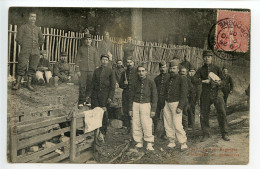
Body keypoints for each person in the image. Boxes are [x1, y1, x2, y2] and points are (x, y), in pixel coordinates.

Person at [195, 50, 230, 142]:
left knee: (222, 112)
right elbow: (193, 79)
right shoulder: (200, 70)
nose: (207, 58)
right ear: (203, 58)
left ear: (212, 58)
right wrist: (203, 81)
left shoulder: (217, 68)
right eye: (205, 57)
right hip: (205, 94)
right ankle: (206, 134)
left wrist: (219, 83)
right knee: (204, 114)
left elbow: (224, 81)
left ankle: (225, 133)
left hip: (217, 93)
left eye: (209, 57)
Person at [13, 11, 44, 91]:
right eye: (31, 16)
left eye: (34, 17)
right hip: (25, 50)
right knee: (22, 65)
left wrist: (37, 46)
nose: (33, 18)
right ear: (28, 17)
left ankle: (29, 84)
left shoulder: (38, 29)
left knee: (33, 67)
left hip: (35, 51)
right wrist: (25, 45)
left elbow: (42, 40)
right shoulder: (23, 27)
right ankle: (18, 83)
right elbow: (18, 39)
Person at [129, 65, 158, 151]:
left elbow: (154, 97)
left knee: (147, 124)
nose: (141, 73)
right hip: (136, 104)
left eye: (143, 71)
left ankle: (149, 142)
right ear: (137, 72)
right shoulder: (134, 82)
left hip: (146, 105)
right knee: (136, 123)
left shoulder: (151, 82)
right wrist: (130, 109)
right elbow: (130, 96)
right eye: (139, 71)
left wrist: (153, 109)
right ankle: (139, 141)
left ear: (146, 72)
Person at [163, 60, 188, 151]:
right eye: (171, 68)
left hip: (176, 104)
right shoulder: (168, 79)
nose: (172, 70)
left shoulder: (182, 78)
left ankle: (183, 143)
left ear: (178, 69)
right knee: (168, 123)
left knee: (177, 124)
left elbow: (184, 93)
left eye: (174, 68)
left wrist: (180, 106)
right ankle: (171, 141)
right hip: (167, 103)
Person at [91, 54, 116, 139]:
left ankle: (103, 132)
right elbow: (93, 84)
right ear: (100, 60)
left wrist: (110, 97)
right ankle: (95, 132)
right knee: (95, 113)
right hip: (95, 96)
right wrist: (90, 96)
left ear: (108, 61)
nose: (104, 61)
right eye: (103, 59)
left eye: (106, 60)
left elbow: (113, 86)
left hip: (105, 97)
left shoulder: (110, 71)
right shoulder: (96, 71)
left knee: (104, 114)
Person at [75, 34, 99, 109]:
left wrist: (96, 70)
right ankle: (81, 101)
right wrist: (78, 70)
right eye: (86, 39)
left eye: (89, 39)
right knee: (82, 86)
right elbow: (77, 60)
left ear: (91, 41)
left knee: (90, 86)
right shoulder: (81, 49)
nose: (88, 41)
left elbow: (96, 60)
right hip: (83, 70)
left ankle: (88, 100)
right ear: (84, 40)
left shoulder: (94, 49)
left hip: (91, 70)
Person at [119, 56, 138, 134]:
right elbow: (120, 84)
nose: (129, 64)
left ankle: (135, 129)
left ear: (133, 62)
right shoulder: (124, 73)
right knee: (126, 111)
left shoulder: (137, 72)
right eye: (128, 62)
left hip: (134, 94)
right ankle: (128, 128)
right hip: (126, 95)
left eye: (131, 62)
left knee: (134, 111)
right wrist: (124, 84)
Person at [153, 61, 170, 137]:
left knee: (166, 116)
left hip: (166, 99)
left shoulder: (170, 77)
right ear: (159, 68)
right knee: (155, 116)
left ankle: (165, 133)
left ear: (166, 68)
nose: (162, 69)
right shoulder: (156, 79)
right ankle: (155, 131)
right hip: (158, 99)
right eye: (161, 67)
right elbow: (154, 89)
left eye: (164, 67)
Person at [180, 66, 196, 131]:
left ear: (186, 73)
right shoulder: (178, 79)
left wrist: (190, 98)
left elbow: (192, 89)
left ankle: (186, 127)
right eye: (181, 72)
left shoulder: (188, 80)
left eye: (184, 72)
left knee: (185, 113)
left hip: (186, 99)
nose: (182, 73)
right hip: (178, 99)